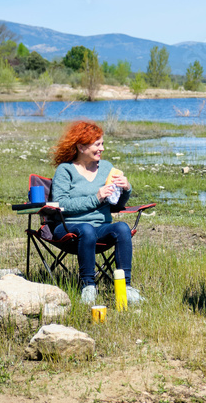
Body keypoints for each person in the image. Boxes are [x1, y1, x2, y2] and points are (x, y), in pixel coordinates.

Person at [51, 120, 142, 307]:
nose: (102, 148)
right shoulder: (65, 170)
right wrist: (96, 197)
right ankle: (88, 286)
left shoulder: (107, 168)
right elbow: (61, 205)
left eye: (102, 143)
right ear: (81, 147)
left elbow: (116, 204)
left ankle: (126, 287)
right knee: (86, 229)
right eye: (97, 144)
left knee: (122, 228)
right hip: (68, 228)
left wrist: (125, 189)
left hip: (100, 228)